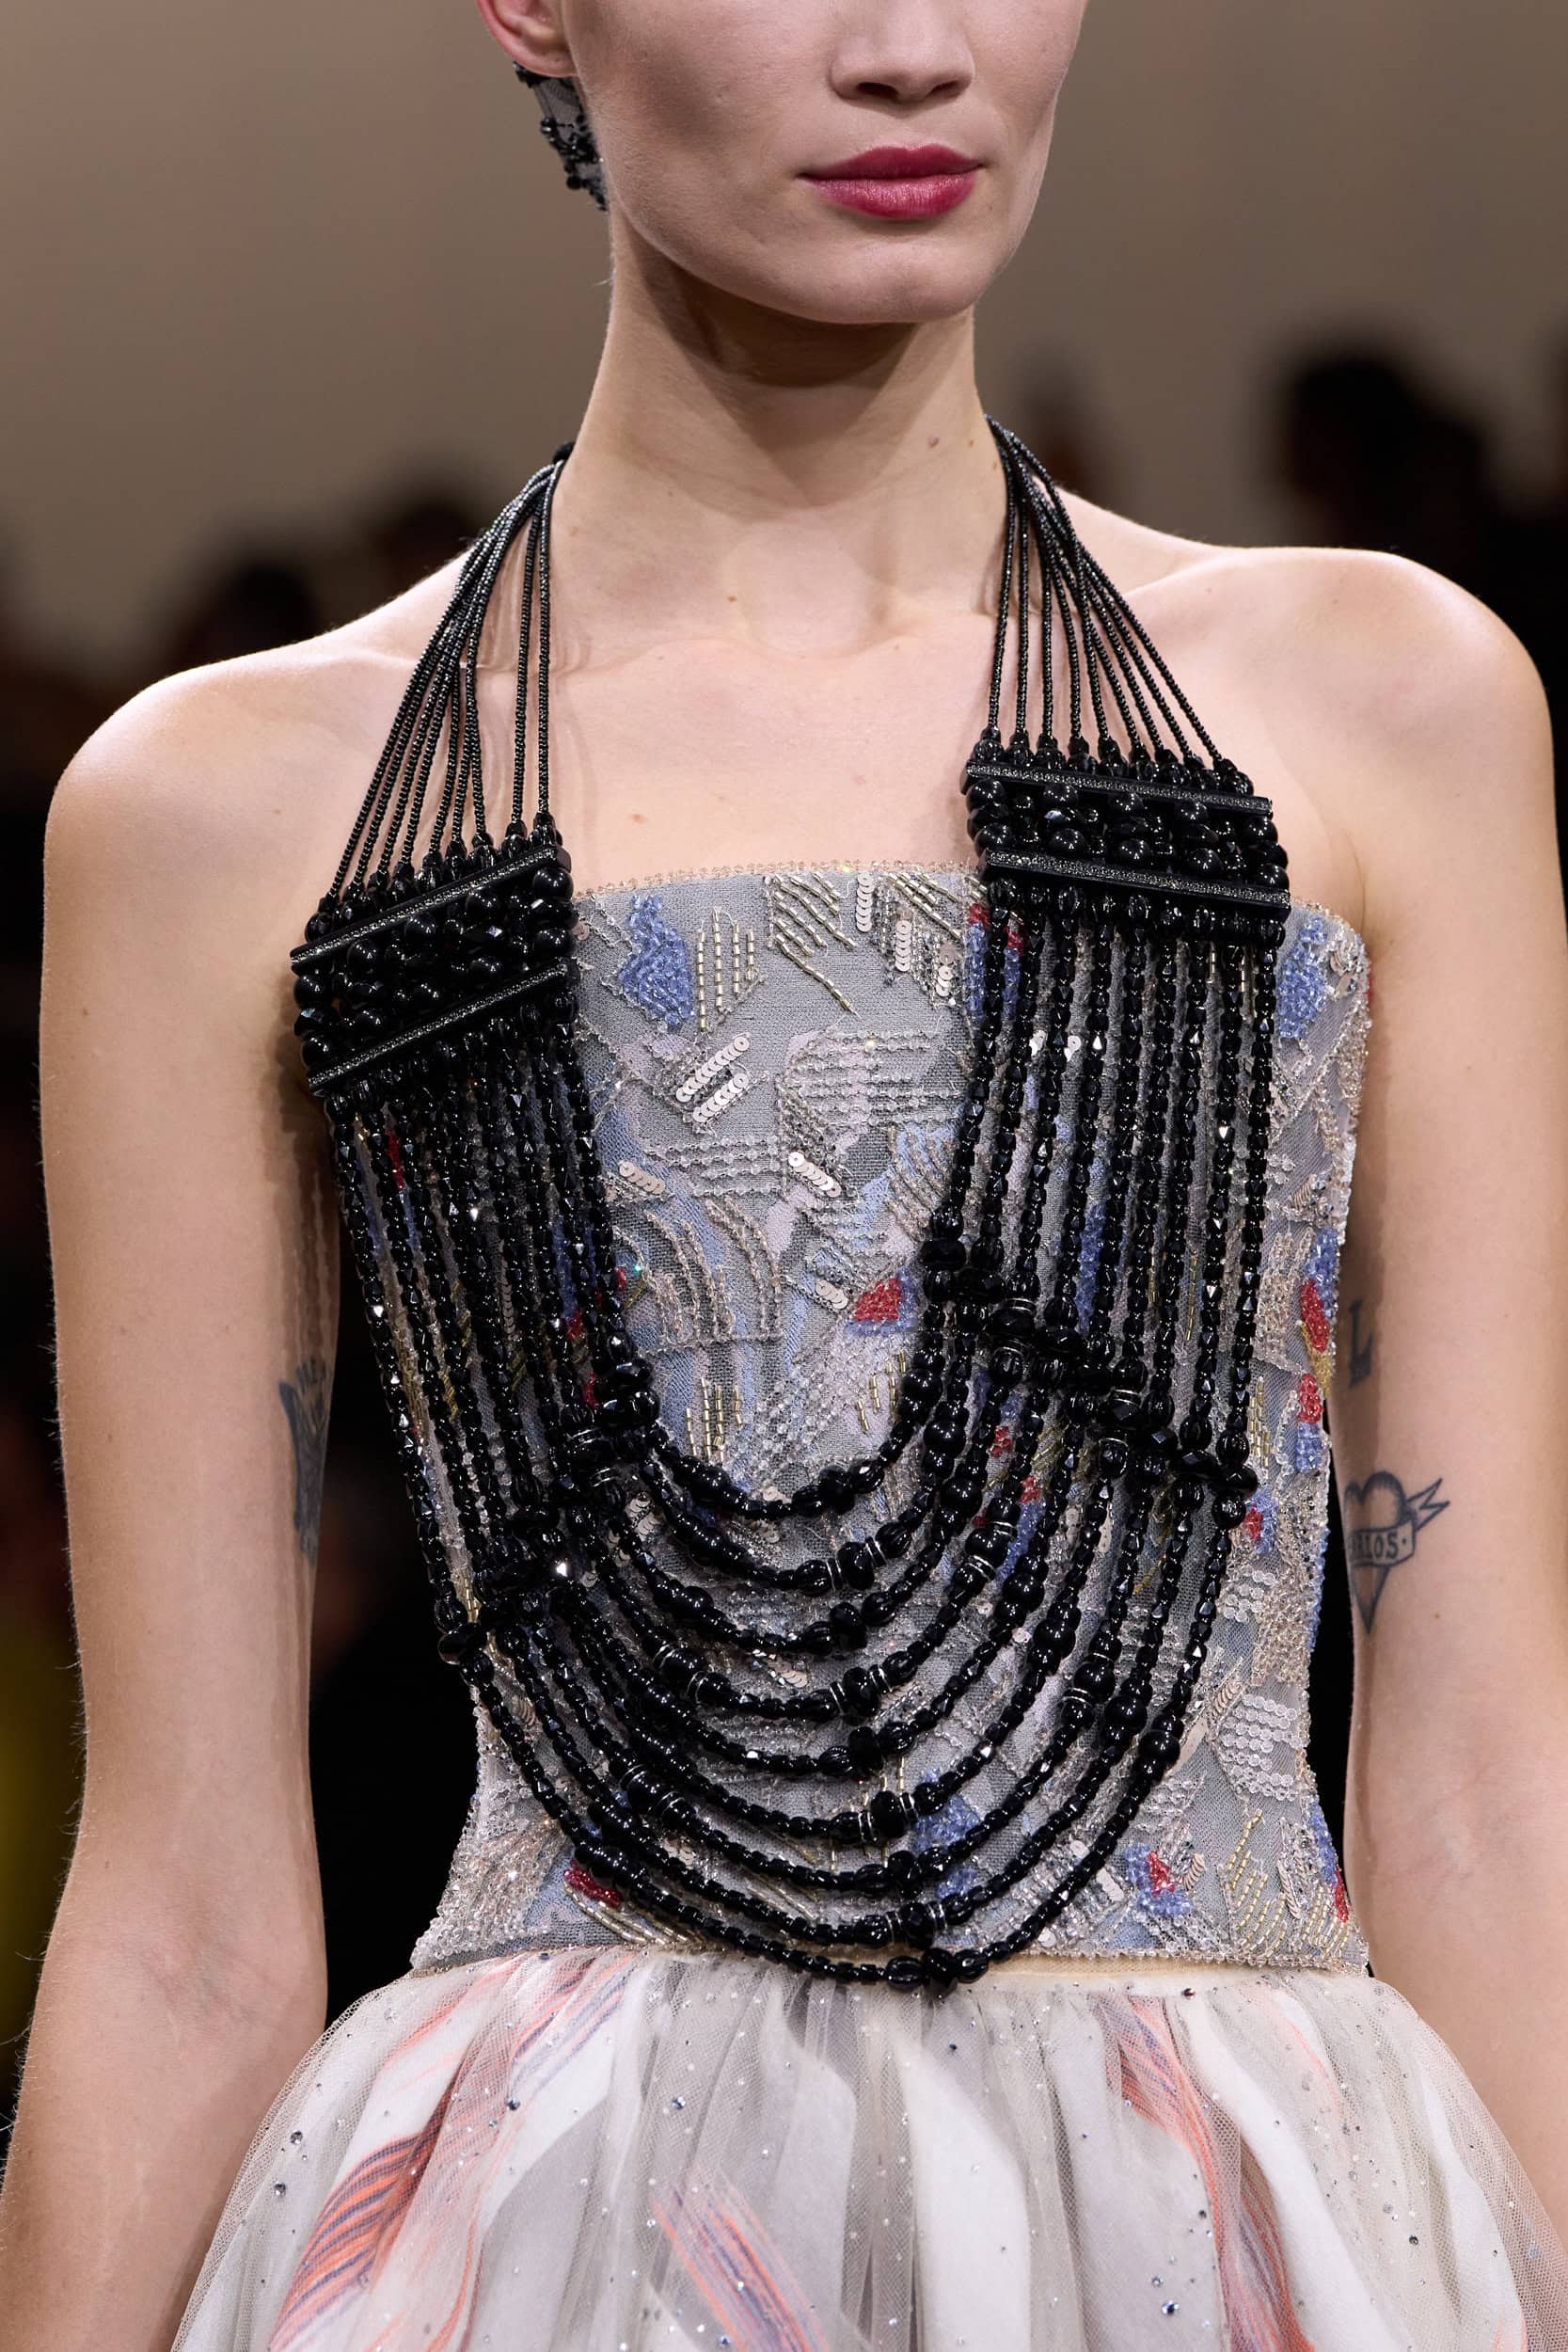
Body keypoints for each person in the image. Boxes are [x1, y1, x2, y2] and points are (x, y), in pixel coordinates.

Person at [8, 3, 1568, 2344]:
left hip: (1246, 2219)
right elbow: (187, 1905)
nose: (914, 49)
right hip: (552, 2237)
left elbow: (1484, 1785)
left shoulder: (1388, 705)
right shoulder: (232, 811)